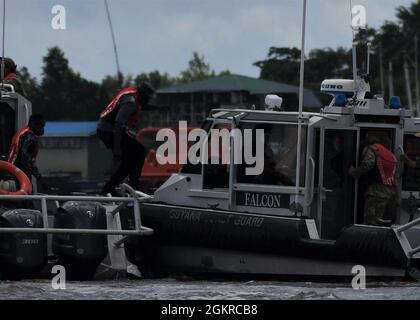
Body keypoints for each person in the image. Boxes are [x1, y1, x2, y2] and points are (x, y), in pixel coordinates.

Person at [97, 82, 155, 196]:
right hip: (108, 131)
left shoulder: (132, 94)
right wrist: (117, 149)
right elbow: (118, 125)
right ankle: (127, 187)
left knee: (135, 155)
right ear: (142, 95)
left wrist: (158, 108)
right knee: (135, 155)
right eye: (147, 98)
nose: (148, 101)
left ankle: (115, 187)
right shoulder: (130, 104)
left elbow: (141, 106)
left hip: (108, 129)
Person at [349, 134, 398, 226]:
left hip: (377, 192)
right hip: (392, 193)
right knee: (384, 224)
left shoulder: (371, 149)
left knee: (371, 223)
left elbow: (367, 164)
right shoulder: (389, 153)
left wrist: (354, 172)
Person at [7, 114, 48, 191]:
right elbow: (25, 159)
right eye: (42, 127)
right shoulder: (29, 136)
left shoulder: (22, 132)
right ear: (37, 126)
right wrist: (40, 179)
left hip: (12, 170)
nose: (43, 130)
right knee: (26, 196)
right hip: (19, 174)